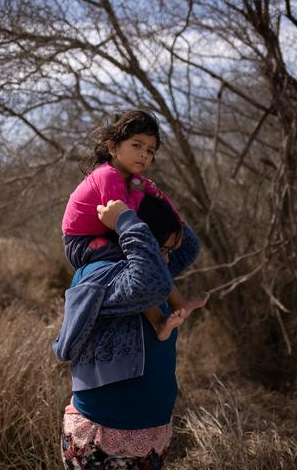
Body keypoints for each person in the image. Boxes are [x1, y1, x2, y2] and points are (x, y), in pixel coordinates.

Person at [53, 195, 201, 469]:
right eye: (162, 249)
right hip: (103, 437)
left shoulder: (153, 274)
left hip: (151, 437)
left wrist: (149, 191)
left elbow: (190, 246)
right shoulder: (100, 274)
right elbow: (144, 281)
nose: (167, 260)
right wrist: (125, 219)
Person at [62, 110, 205, 341]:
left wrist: (178, 225)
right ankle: (159, 320)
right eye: (136, 145)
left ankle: (176, 301)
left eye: (150, 151)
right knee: (131, 260)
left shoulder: (133, 179)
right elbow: (123, 215)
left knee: (155, 253)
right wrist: (138, 193)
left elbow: (162, 202)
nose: (143, 155)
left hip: (105, 235)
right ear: (113, 148)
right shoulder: (108, 176)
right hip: (84, 242)